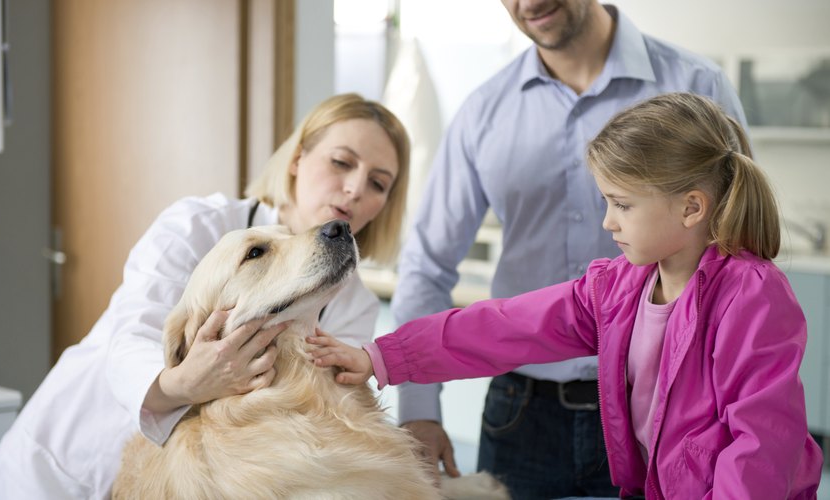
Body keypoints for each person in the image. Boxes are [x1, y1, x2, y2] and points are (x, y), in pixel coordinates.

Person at [310, 92, 825, 498]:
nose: (608, 221)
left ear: (692, 208)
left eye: (622, 204)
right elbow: (508, 326)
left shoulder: (751, 297)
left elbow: (760, 447)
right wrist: (383, 356)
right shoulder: (619, 287)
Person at [0, 93, 411, 500]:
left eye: (378, 183)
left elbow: (323, 411)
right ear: (297, 158)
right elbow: (130, 338)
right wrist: (185, 383)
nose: (354, 189)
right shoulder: (198, 225)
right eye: (341, 162)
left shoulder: (355, 305)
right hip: (64, 467)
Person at [389, 0, 747, 497]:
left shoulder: (697, 85)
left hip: (665, 411)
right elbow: (427, 266)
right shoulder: (483, 111)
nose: (528, 4)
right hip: (521, 413)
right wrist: (418, 410)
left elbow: (737, 245)